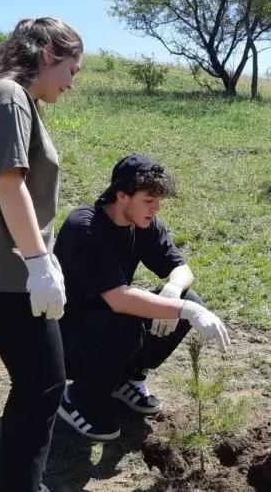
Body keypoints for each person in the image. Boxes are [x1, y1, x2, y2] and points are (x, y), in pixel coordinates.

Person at [0, 17, 83, 492]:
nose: (70, 83)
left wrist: (41, 257)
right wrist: (38, 262)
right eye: (71, 70)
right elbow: (9, 185)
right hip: (6, 273)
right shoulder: (9, 97)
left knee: (36, 384)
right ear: (47, 55)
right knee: (44, 386)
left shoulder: (0, 94)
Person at [53, 154, 230, 442]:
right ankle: (76, 398)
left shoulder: (143, 224)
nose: (156, 208)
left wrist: (174, 291)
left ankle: (126, 380)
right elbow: (119, 299)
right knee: (132, 323)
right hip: (66, 339)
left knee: (188, 298)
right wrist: (183, 309)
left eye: (158, 200)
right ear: (122, 196)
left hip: (109, 328)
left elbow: (181, 268)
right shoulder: (85, 227)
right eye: (149, 199)